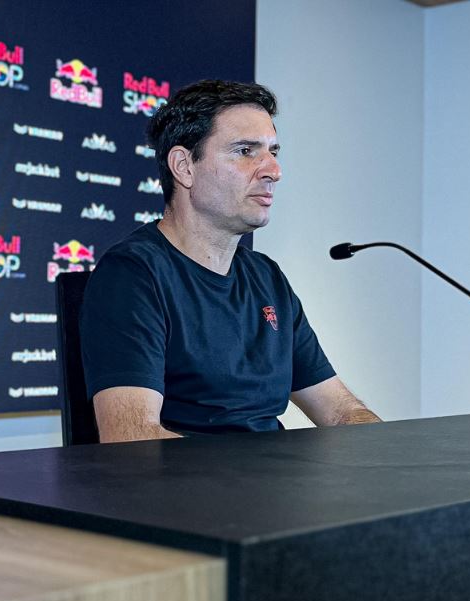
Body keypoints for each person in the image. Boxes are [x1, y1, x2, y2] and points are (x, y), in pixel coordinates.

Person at [80, 80, 379, 441]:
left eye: (273, 151)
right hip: (191, 493)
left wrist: (391, 456)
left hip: (273, 487)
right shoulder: (133, 275)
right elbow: (132, 439)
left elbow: (341, 411)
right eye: (245, 151)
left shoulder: (266, 276)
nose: (273, 170)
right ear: (184, 166)